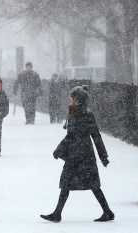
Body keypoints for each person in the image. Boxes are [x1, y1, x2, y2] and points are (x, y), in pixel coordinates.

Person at [40, 85, 114, 223]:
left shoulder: (86, 115)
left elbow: (95, 136)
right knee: (67, 183)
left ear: (78, 100)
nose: (69, 99)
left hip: (84, 155)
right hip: (75, 154)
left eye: (71, 98)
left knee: (93, 185)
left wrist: (103, 156)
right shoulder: (73, 112)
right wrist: (60, 149)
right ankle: (57, 213)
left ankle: (107, 212)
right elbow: (71, 136)